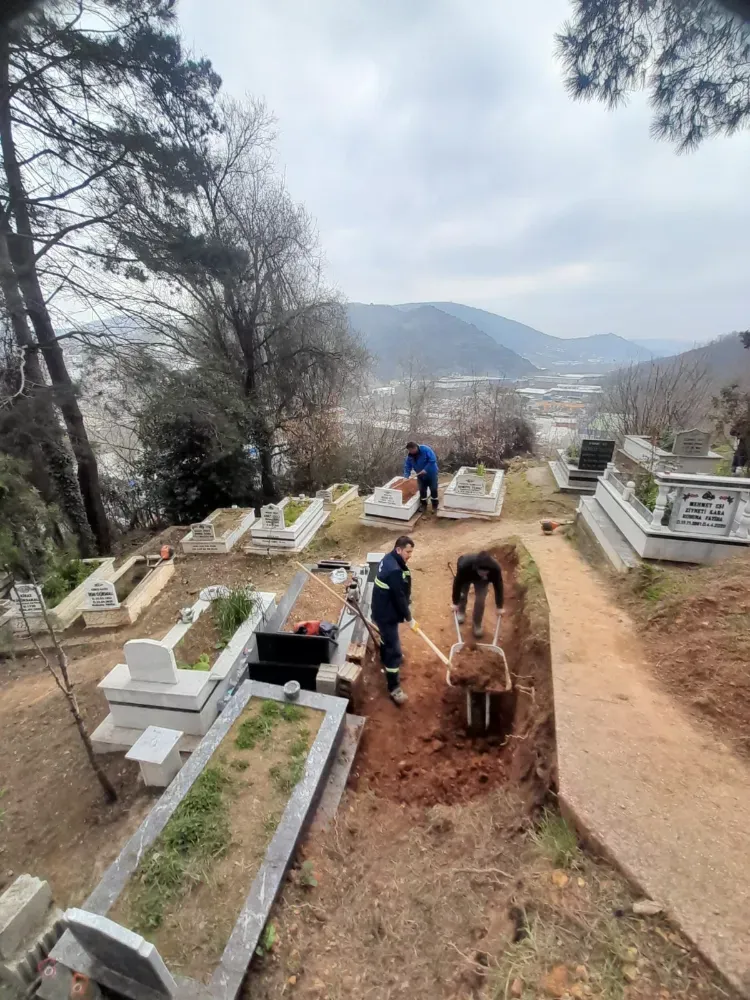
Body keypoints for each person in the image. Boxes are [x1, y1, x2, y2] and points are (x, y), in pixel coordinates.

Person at [371, 535, 418, 705]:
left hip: (380, 609)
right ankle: (394, 688)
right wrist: (409, 618)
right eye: (408, 552)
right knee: (395, 650)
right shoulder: (394, 570)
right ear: (399, 549)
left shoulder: (388, 558)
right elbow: (399, 597)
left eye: (411, 552)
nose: (410, 555)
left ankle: (384, 656)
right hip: (386, 614)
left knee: (386, 637)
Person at [451, 550, 503, 639]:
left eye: (485, 572)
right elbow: (457, 584)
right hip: (467, 575)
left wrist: (499, 606)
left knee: (480, 600)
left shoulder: (495, 569)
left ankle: (477, 624)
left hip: (483, 582)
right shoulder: (464, 565)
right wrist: (455, 603)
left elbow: (498, 586)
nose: (482, 573)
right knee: (463, 594)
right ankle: (461, 611)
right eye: (481, 571)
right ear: (476, 567)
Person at [404, 441, 439, 512]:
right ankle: (423, 505)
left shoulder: (425, 449)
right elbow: (407, 466)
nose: (411, 452)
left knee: (433, 489)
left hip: (431, 473)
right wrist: (406, 476)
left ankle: (434, 506)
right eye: (409, 451)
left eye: (412, 450)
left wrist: (426, 469)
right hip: (420, 475)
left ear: (416, 447)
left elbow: (432, 460)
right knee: (422, 490)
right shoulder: (410, 457)